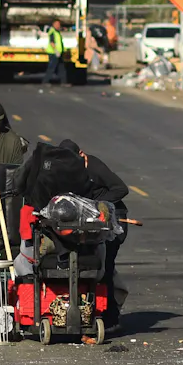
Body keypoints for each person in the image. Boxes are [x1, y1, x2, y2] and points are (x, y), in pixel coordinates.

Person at [59, 139, 129, 329]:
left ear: (82, 154)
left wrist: (98, 205)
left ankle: (111, 318)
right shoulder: (70, 171)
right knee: (91, 267)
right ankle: (87, 312)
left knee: (105, 267)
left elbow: (121, 189)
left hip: (114, 223)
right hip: (92, 225)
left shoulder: (95, 167)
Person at [42, 19, 67, 86]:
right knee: (51, 68)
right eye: (57, 24)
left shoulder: (57, 32)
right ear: (53, 24)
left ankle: (64, 82)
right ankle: (45, 81)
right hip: (53, 53)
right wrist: (56, 50)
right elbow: (52, 42)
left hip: (58, 53)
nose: (58, 26)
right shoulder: (52, 31)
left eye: (59, 24)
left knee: (61, 68)